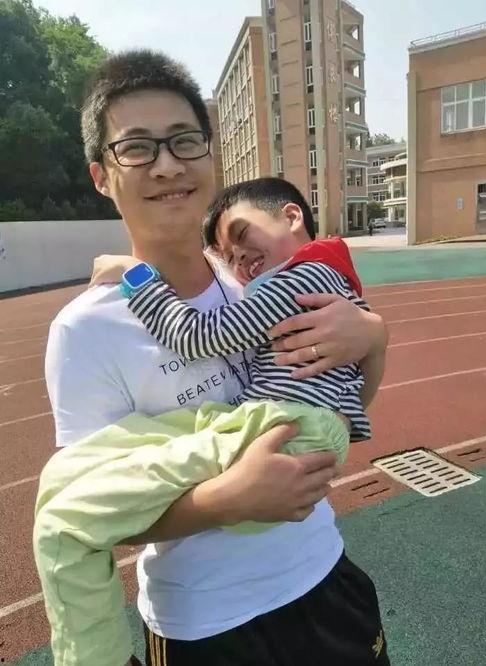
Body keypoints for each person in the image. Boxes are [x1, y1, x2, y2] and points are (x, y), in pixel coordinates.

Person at [43, 49, 389, 666]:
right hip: (207, 625)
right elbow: (100, 510)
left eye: (184, 141)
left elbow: (342, 404)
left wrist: (374, 339)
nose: (167, 164)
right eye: (137, 148)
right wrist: (225, 502)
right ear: (101, 175)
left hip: (323, 576)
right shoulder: (84, 330)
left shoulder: (254, 277)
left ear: (211, 155)